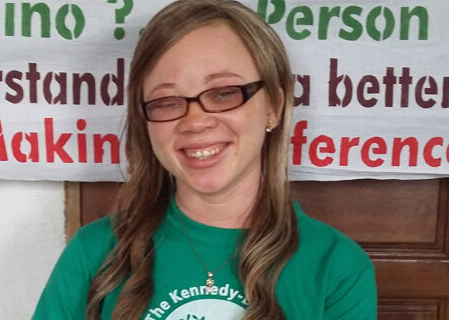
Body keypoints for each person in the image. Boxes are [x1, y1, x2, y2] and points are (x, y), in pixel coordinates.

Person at [33, 1, 376, 319]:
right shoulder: (93, 253)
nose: (195, 121)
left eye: (224, 93)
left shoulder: (337, 266)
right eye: (166, 101)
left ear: (274, 105)